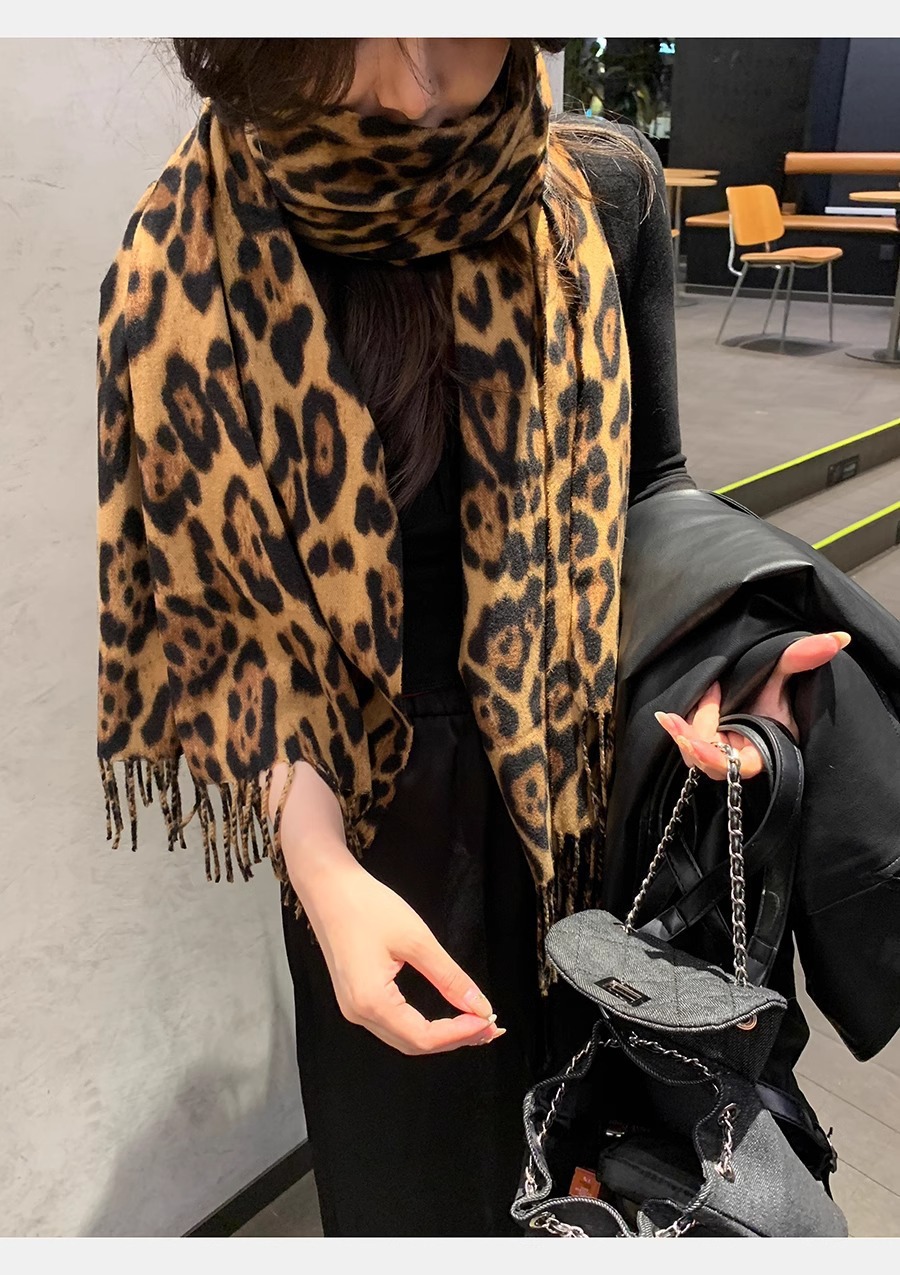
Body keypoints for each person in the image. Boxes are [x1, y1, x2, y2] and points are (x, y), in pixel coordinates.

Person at [95, 37, 851, 1237]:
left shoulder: (599, 193)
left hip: (589, 788)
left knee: (617, 1169)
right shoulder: (191, 257)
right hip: (367, 823)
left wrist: (721, 658)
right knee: (412, 1194)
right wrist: (322, 871)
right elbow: (230, 633)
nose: (420, 85)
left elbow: (651, 487)